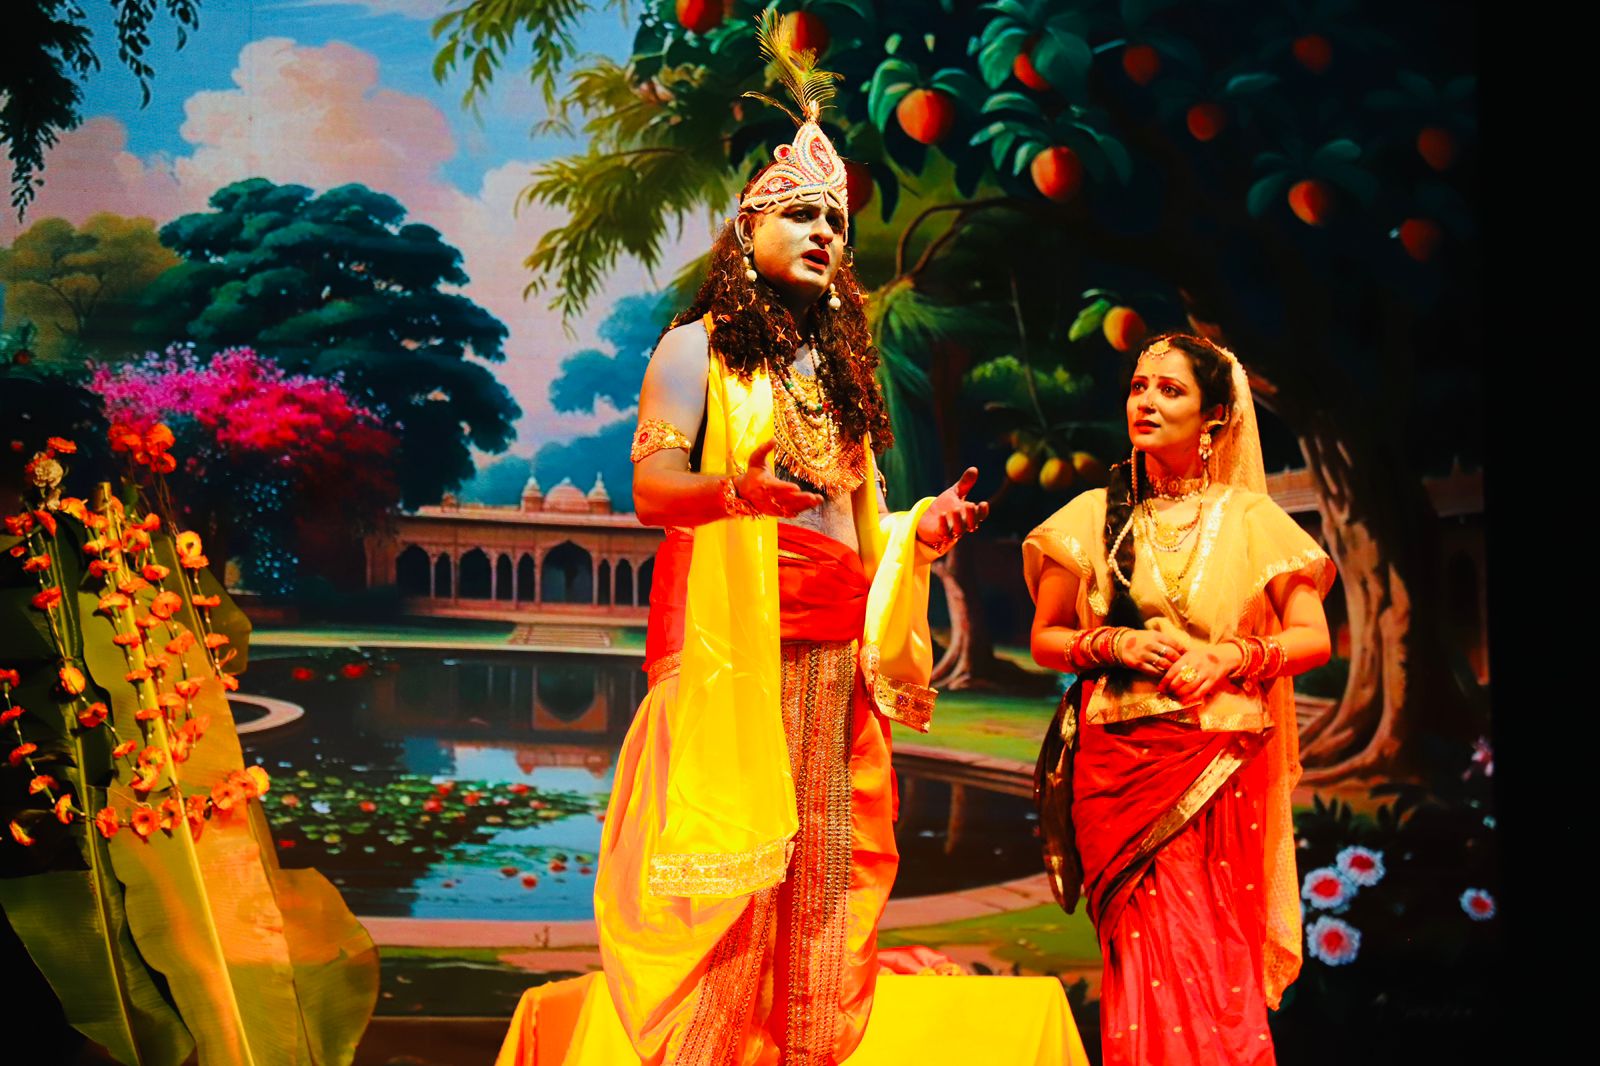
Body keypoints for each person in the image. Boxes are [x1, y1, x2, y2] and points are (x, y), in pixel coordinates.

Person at [592, 16, 988, 1065]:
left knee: (826, 883)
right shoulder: (695, 350)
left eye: (836, 222)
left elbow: (865, 527)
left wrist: (922, 529)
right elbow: (650, 489)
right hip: (738, 647)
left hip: (834, 658)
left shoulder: (846, 379)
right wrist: (738, 491)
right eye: (802, 214)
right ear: (746, 230)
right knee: (735, 885)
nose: (823, 233)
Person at [1022, 333, 1333, 1065]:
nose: (1147, 402)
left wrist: (1231, 656)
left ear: (1214, 417)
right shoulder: (1091, 515)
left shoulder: (1251, 519)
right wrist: (1114, 644)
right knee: (1145, 960)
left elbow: (1312, 637)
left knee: (1213, 956)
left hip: (1218, 765)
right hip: (1118, 769)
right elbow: (1046, 637)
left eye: (1170, 390)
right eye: (1139, 387)